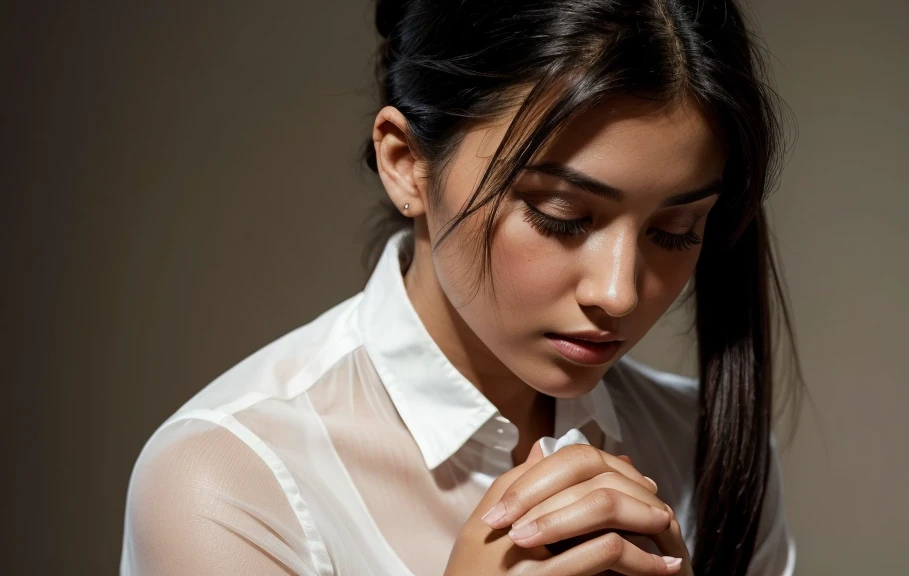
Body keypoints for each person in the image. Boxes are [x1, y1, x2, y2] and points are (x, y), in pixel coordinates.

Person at [120, 0, 801, 574]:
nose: (619, 293)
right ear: (407, 162)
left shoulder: (708, 453)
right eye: (562, 216)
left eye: (677, 229)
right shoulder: (229, 480)